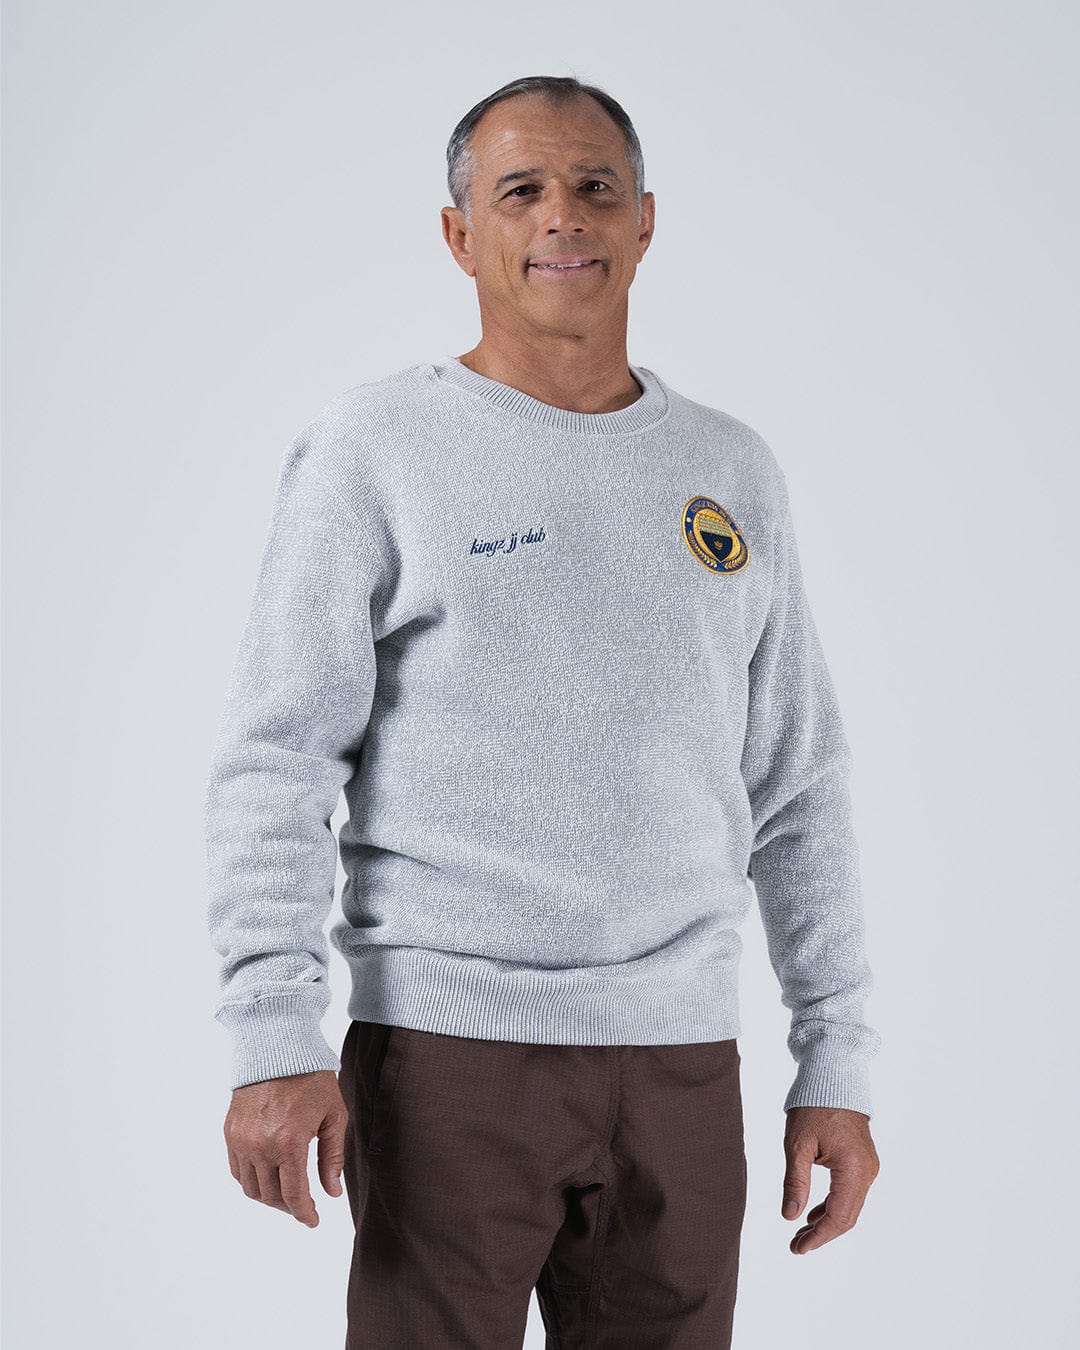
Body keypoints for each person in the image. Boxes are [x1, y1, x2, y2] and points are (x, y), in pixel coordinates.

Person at [204, 73, 882, 1348]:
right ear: (460, 234)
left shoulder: (730, 470)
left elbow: (798, 789)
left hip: (681, 1064)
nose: (563, 216)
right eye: (520, 190)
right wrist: (272, 1035)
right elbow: (276, 763)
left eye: (595, 187)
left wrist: (834, 1062)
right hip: (446, 1056)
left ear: (645, 221)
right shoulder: (375, 449)